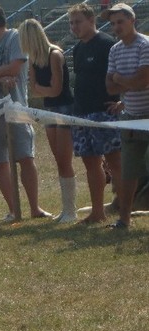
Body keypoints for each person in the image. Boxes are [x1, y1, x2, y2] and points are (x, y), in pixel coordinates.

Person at [0, 4, 51, 221]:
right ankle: (14, 210)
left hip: (16, 109)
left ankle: (35, 208)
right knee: (0, 161)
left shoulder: (15, 37)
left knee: (25, 156)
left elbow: (16, 67)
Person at [68, 2, 122, 224]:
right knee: (91, 163)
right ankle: (97, 212)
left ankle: (125, 209)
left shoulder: (107, 44)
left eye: (78, 22)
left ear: (92, 21)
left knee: (114, 162)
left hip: (104, 113)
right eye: (71, 23)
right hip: (81, 114)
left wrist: (120, 101)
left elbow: (117, 76)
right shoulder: (77, 49)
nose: (74, 27)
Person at [19, 18, 77, 223]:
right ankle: (66, 209)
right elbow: (34, 89)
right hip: (49, 109)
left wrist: (43, 89)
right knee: (58, 159)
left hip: (64, 108)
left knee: (64, 160)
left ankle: (70, 210)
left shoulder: (55, 54)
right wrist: (45, 89)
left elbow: (56, 89)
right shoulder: (34, 59)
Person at [104, 2, 149, 229]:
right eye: (112, 24)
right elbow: (109, 87)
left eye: (120, 22)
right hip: (130, 118)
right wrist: (125, 83)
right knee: (129, 172)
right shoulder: (115, 50)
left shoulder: (146, 45)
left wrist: (121, 80)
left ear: (133, 20)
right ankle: (124, 219)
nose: (116, 27)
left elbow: (144, 81)